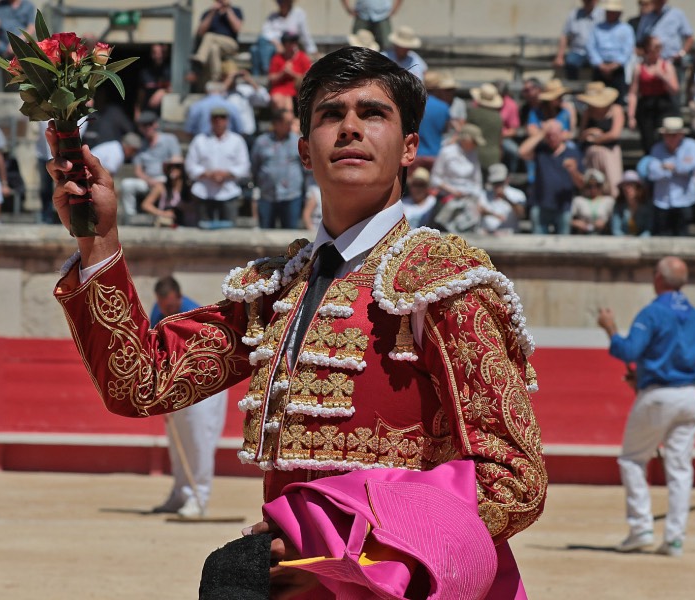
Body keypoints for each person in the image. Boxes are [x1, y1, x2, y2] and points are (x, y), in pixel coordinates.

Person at [47, 45, 545, 597]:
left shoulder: (444, 283)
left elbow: (512, 480)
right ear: (305, 151)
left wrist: (338, 543)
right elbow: (140, 383)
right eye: (331, 115)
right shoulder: (276, 290)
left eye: (372, 113)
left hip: (406, 585)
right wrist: (99, 241)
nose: (350, 128)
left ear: (409, 148)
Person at [597, 256, 695, 557]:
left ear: (658, 278)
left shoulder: (654, 312)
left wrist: (610, 329)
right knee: (680, 468)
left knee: (632, 459)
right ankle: (674, 539)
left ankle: (641, 527)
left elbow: (629, 349)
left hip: (659, 395)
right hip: (690, 395)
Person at [148, 276, 229, 518]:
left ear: (179, 297)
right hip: (176, 385)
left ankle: (199, 496)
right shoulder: (158, 311)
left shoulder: (194, 314)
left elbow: (202, 358)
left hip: (204, 384)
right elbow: (153, 349)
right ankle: (180, 494)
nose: (167, 311)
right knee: (178, 442)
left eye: (171, 307)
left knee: (198, 441)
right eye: (164, 307)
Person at [184, 105, 250, 227]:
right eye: (215, 118)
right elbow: (190, 166)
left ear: (227, 120)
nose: (219, 121)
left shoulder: (237, 140)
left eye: (222, 117)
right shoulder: (200, 140)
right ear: (210, 120)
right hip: (204, 193)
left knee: (231, 236)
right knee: (202, 234)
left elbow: (244, 167)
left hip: (229, 192)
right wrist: (209, 174)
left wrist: (225, 175)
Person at [519, 119, 585, 234]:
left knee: (563, 247)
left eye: (554, 135)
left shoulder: (573, 153)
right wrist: (541, 133)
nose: (552, 138)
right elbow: (522, 152)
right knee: (538, 246)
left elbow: (581, 184)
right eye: (548, 135)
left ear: (562, 134)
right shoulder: (541, 149)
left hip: (563, 206)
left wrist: (573, 171)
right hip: (540, 205)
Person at [119, 111, 182, 220]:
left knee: (165, 183)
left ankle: (165, 214)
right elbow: (138, 171)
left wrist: (168, 176)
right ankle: (131, 217)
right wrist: (149, 180)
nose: (147, 128)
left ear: (156, 124)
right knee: (126, 184)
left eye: (150, 124)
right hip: (148, 180)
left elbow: (178, 161)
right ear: (140, 128)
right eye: (144, 125)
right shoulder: (141, 145)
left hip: (166, 178)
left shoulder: (169, 139)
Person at [645, 117, 695, 236]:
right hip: (662, 201)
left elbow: (689, 168)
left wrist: (667, 167)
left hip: (685, 200)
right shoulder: (657, 148)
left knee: (683, 238)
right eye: (668, 135)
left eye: (674, 135)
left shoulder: (691, 145)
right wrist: (676, 168)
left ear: (681, 134)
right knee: (662, 238)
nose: (670, 138)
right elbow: (652, 173)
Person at [250, 108, 304, 229]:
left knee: (291, 236)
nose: (290, 126)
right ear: (276, 123)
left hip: (291, 195)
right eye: (287, 123)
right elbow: (255, 165)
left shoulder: (297, 141)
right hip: (267, 195)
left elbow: (304, 166)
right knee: (266, 234)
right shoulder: (261, 142)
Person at [627, 35, 680, 154]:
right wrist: (631, 116)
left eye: (659, 47)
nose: (657, 50)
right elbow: (633, 93)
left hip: (663, 104)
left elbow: (675, 89)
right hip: (646, 105)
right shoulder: (639, 68)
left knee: (664, 137)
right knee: (648, 140)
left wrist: (663, 76)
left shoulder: (666, 66)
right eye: (655, 47)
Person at [428, 123, 485, 233]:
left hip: (468, 201)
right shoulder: (447, 152)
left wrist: (478, 200)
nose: (475, 145)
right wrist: (453, 191)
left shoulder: (473, 154)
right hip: (447, 199)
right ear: (466, 139)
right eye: (474, 141)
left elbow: (477, 181)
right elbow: (435, 178)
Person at [577, 82, 624, 197]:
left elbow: (615, 134)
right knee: (593, 185)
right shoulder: (588, 112)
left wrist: (596, 139)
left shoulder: (616, 109)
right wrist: (589, 132)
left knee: (613, 185)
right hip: (592, 154)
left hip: (610, 152)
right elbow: (581, 135)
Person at [250, 0, 317, 77]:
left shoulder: (298, 14)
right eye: (279, 1)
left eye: (282, 1)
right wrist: (277, 44)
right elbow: (264, 32)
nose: (280, 3)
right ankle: (261, 75)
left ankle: (265, 72)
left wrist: (313, 50)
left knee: (257, 50)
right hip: (274, 46)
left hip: (288, 46)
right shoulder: (273, 16)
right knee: (255, 49)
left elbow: (305, 35)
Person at [587, 0, 635, 102]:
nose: (610, 14)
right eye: (608, 11)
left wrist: (614, 65)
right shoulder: (597, 28)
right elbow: (591, 47)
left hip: (617, 68)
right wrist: (601, 65)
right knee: (596, 99)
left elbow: (627, 50)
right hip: (600, 67)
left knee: (618, 99)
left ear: (619, 13)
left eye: (613, 11)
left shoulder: (626, 29)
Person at [635, 0, 693, 84]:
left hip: (672, 63)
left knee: (675, 93)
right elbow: (639, 41)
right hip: (651, 65)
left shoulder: (677, 14)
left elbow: (690, 37)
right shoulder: (646, 17)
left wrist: (682, 53)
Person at [0, 0, 36, 90]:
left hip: (20, 44)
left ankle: (21, 85)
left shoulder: (28, 6)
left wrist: (16, 42)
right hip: (2, 44)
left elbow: (31, 28)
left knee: (24, 54)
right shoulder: (1, 4)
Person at [191, 0, 243, 84]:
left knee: (209, 36)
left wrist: (227, 9)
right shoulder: (208, 13)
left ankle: (201, 58)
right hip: (213, 44)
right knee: (214, 49)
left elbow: (237, 28)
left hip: (230, 43)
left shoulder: (235, 10)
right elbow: (200, 32)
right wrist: (212, 12)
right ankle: (215, 78)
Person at [554, 0, 604, 80]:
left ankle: (597, 89)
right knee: (570, 63)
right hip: (577, 51)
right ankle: (572, 90)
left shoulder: (603, 15)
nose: (588, 2)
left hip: (596, 52)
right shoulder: (574, 14)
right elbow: (565, 35)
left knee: (599, 65)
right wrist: (560, 56)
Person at [267, 31, 311, 115]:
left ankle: (289, 123)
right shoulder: (277, 58)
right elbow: (271, 78)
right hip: (280, 88)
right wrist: (282, 73)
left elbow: (308, 78)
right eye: (290, 42)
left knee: (289, 103)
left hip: (297, 90)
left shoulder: (302, 57)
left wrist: (292, 73)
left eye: (294, 41)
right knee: (277, 99)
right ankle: (283, 124)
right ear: (284, 44)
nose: (293, 44)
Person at [139, 159, 192, 227]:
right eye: (170, 167)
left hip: (187, 225)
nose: (173, 169)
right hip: (167, 224)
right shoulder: (161, 187)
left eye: (177, 166)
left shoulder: (189, 188)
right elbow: (145, 205)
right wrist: (163, 213)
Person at [479, 163, 526, 235]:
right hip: (487, 234)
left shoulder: (517, 194)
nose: (497, 185)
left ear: (507, 179)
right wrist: (493, 214)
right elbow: (479, 211)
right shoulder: (484, 194)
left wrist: (505, 198)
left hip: (509, 234)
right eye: (495, 183)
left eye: (500, 182)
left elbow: (521, 214)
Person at [468, 82, 504, 171]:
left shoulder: (473, 113)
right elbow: (500, 140)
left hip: (475, 155)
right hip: (493, 156)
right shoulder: (498, 117)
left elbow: (467, 133)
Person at [571, 168, 615, 234]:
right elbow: (566, 219)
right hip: (583, 235)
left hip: (604, 235)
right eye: (589, 186)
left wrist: (605, 223)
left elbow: (616, 220)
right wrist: (576, 223)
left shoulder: (609, 201)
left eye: (597, 186)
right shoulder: (578, 200)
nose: (593, 189)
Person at [611, 170, 652, 236]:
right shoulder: (618, 205)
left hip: (642, 243)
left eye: (631, 185)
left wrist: (639, 242)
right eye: (624, 185)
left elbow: (648, 230)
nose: (627, 188)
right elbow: (616, 230)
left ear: (638, 188)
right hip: (623, 243)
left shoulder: (647, 206)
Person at [135, 43, 171, 118]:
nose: (158, 55)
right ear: (151, 54)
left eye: (162, 52)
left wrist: (163, 92)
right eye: (155, 52)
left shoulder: (172, 71)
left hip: (166, 114)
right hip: (148, 113)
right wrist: (137, 111)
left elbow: (178, 88)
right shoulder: (145, 73)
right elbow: (141, 94)